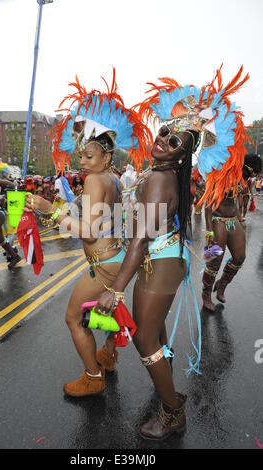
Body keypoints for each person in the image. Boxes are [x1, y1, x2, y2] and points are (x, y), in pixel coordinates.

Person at [98, 65, 250, 440]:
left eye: (175, 141)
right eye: (165, 132)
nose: (164, 140)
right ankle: (168, 390)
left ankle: (171, 412)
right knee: (157, 334)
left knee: (144, 339)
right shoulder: (161, 176)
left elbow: (139, 240)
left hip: (158, 262)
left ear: (184, 155)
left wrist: (115, 289)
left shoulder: (160, 179)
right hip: (165, 261)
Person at [25, 70, 151, 397]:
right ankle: (108, 354)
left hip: (105, 262)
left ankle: (92, 377)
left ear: (106, 156)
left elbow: (91, 230)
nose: (81, 160)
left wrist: (49, 210)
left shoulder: (95, 180)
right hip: (115, 258)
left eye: (89, 155)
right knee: (99, 311)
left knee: (73, 318)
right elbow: (97, 219)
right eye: (80, 154)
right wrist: (56, 212)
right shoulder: (109, 179)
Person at [202, 153, 262, 311]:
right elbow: (208, 203)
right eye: (254, 172)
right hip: (217, 220)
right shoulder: (223, 174)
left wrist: (240, 219)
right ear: (248, 168)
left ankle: (221, 285)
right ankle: (206, 294)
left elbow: (233, 201)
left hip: (232, 220)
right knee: (214, 260)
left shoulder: (241, 179)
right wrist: (209, 230)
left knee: (240, 257)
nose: (254, 175)